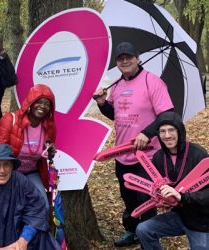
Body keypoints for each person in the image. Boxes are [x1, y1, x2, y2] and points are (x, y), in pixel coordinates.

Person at [93, 41, 174, 247]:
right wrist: (102, 103)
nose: (125, 61)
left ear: (138, 58)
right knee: (127, 196)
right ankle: (132, 231)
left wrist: (147, 133)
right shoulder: (118, 85)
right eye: (121, 58)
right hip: (122, 153)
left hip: (147, 155)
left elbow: (168, 115)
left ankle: (148, 237)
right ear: (117, 63)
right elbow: (116, 115)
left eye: (129, 57)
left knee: (145, 199)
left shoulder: (152, 82)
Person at [136, 112, 209, 250]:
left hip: (201, 220)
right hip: (178, 216)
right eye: (162, 131)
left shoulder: (198, 154)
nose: (167, 135)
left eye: (171, 130)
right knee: (143, 229)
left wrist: (181, 196)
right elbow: (153, 184)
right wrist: (158, 197)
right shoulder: (159, 157)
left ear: (180, 131)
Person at [0, 84, 56, 205]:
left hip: (32, 172)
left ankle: (34, 225)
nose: (42, 106)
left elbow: (45, 154)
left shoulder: (49, 127)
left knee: (42, 204)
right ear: (30, 103)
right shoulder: (10, 120)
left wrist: (50, 153)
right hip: (9, 171)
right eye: (38, 102)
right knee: (12, 207)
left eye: (47, 104)